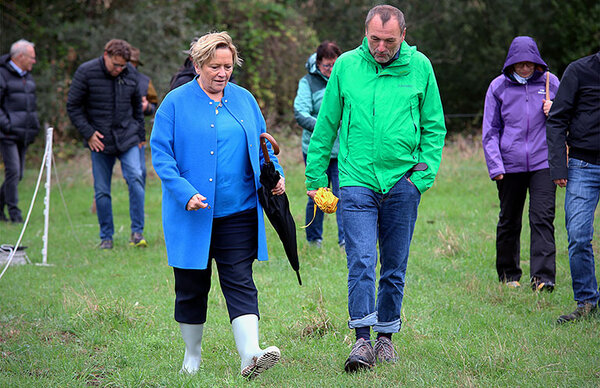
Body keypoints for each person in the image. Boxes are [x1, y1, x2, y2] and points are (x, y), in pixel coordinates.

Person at [305, 5, 446, 372]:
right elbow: (326, 126)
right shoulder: (347, 66)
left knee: (394, 266)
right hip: (355, 180)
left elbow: (434, 128)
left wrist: (420, 179)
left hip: (403, 181)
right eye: (374, 39)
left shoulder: (421, 68)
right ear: (364, 33)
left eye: (389, 40)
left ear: (404, 34)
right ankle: (362, 342)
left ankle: (386, 339)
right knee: (362, 260)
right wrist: (316, 179)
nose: (381, 47)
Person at [150, 31, 283, 378]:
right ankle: (191, 356)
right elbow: (161, 154)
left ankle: (250, 356)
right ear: (197, 65)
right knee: (192, 287)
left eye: (227, 66)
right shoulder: (174, 103)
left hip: (238, 211)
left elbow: (262, 146)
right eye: (214, 66)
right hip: (192, 214)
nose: (222, 73)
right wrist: (183, 191)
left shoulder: (244, 100)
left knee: (240, 280)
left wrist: (275, 175)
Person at [482, 36, 559, 291]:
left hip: (543, 163)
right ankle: (508, 276)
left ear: (537, 62)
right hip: (509, 166)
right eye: (519, 64)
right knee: (509, 220)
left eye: (529, 64)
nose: (525, 69)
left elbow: (568, 118)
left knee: (542, 218)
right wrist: (496, 166)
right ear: (511, 63)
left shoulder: (551, 83)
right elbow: (490, 131)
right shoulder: (497, 87)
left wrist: (555, 109)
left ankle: (543, 279)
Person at [67, 39, 147, 249]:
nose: (119, 69)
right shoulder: (86, 72)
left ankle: (137, 232)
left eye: (123, 66)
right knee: (102, 190)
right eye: (116, 65)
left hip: (128, 138)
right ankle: (106, 237)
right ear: (106, 55)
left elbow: (137, 108)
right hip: (100, 141)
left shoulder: (130, 73)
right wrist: (89, 134)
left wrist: (140, 136)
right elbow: (73, 107)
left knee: (136, 179)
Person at [547, 51, 600, 324]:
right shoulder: (579, 71)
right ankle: (587, 303)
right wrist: (558, 166)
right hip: (583, 164)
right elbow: (557, 119)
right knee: (579, 235)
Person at [294, 41, 344, 248]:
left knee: (345, 196)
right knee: (318, 194)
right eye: (326, 66)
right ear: (318, 63)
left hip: (343, 151)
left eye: (334, 65)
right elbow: (300, 113)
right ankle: (314, 240)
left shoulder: (345, 80)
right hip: (316, 151)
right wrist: (326, 127)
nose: (331, 70)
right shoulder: (308, 82)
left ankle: (346, 241)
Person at [0, 39, 40, 223]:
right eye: (31, 57)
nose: (34, 61)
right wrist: (7, 124)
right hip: (7, 133)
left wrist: (34, 125)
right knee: (13, 171)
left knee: (18, 174)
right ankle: (15, 214)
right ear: (20, 57)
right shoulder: (2, 74)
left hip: (24, 133)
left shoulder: (27, 76)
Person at [129, 46, 158, 186]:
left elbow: (153, 106)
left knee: (139, 174)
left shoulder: (145, 81)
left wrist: (147, 107)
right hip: (107, 134)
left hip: (134, 133)